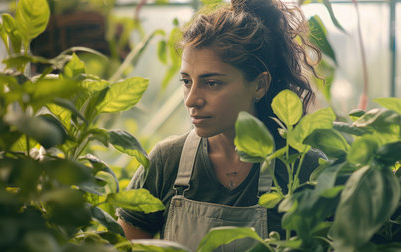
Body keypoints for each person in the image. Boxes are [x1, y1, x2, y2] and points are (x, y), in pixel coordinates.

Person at [116, 0, 323, 250]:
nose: (192, 99)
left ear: (259, 85)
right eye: (186, 81)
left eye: (212, 83)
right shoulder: (166, 162)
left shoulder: (303, 169)